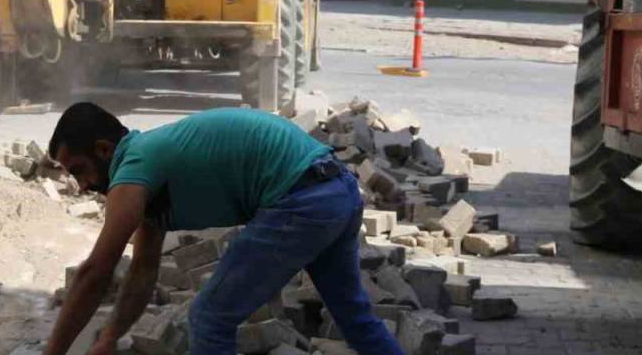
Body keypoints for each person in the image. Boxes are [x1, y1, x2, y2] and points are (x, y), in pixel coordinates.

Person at [41, 103, 405, 355]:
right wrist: (109, 338)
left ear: (104, 150)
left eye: (78, 170)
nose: (82, 186)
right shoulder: (148, 170)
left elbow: (95, 273)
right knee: (355, 318)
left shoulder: (134, 167)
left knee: (210, 317)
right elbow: (142, 271)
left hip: (300, 198)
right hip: (336, 190)